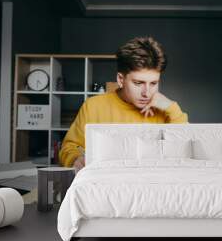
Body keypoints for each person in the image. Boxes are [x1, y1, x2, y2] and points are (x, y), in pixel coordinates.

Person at [59, 36, 188, 170]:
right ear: (121, 79)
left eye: (153, 83)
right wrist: (75, 159)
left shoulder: (165, 111)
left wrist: (171, 107)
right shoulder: (93, 106)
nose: (147, 93)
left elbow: (185, 146)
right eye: (138, 83)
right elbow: (69, 147)